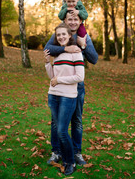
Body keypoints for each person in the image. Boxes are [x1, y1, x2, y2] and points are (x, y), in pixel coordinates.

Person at [44, 12, 98, 166]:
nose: (73, 22)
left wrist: (82, 45)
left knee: (77, 120)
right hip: (58, 89)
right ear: (65, 21)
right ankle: (57, 152)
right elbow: (48, 49)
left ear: (80, 21)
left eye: (76, 19)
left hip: (76, 87)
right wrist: (65, 49)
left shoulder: (84, 36)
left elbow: (93, 59)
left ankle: (76, 153)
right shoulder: (60, 35)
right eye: (70, 19)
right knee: (56, 122)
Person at [44, 22, 85, 176]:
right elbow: (52, 77)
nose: (61, 37)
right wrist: (48, 63)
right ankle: (60, 155)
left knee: (62, 131)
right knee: (57, 127)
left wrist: (59, 80)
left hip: (68, 96)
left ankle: (70, 161)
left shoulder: (76, 53)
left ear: (69, 36)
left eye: (63, 34)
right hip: (53, 95)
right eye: (58, 35)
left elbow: (80, 77)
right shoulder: (58, 54)